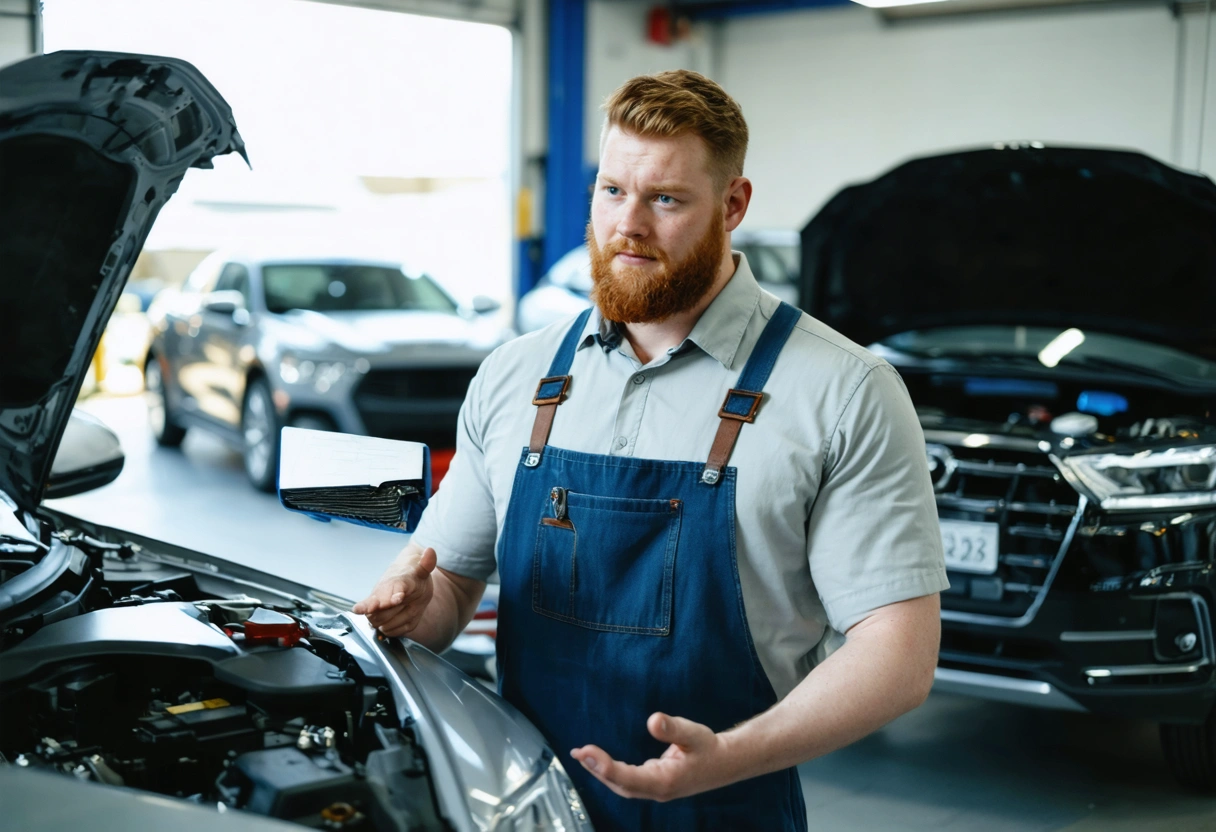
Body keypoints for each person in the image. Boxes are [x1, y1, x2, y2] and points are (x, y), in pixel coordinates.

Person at [354, 70, 948, 831]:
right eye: (611, 191)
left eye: (665, 199)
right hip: (523, 808)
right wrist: (406, 609)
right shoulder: (517, 374)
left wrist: (731, 755)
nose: (627, 225)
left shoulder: (844, 390)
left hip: (724, 808)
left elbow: (897, 656)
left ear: (733, 205)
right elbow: (450, 591)